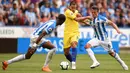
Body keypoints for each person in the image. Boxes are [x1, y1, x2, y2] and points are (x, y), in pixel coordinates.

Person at [84, 5, 128, 70]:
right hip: (97, 39)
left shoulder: (102, 18)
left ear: (98, 12)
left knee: (112, 53)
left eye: (94, 12)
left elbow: (112, 23)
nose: (93, 14)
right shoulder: (92, 20)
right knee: (87, 46)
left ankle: (122, 63)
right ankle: (95, 62)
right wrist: (79, 18)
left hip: (105, 40)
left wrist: (117, 30)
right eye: (92, 12)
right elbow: (85, 22)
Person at [63, 1, 91, 70]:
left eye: (74, 6)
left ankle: (73, 64)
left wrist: (86, 22)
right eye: (72, 6)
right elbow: (76, 19)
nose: (73, 8)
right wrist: (86, 17)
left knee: (73, 44)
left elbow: (80, 20)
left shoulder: (76, 12)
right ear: (69, 6)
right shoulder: (67, 12)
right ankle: (72, 61)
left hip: (75, 32)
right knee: (66, 53)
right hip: (67, 33)